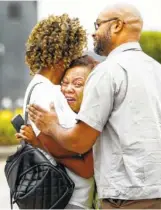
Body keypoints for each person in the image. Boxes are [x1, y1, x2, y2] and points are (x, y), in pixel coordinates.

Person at [28, 3, 161, 209]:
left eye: (98, 25)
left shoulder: (108, 71)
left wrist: (52, 126)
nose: (93, 33)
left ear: (117, 26)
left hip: (131, 195)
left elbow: (80, 142)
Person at [17, 14, 96, 209]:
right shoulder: (52, 93)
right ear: (64, 53)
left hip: (59, 196)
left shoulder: (35, 87)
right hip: (70, 198)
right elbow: (79, 148)